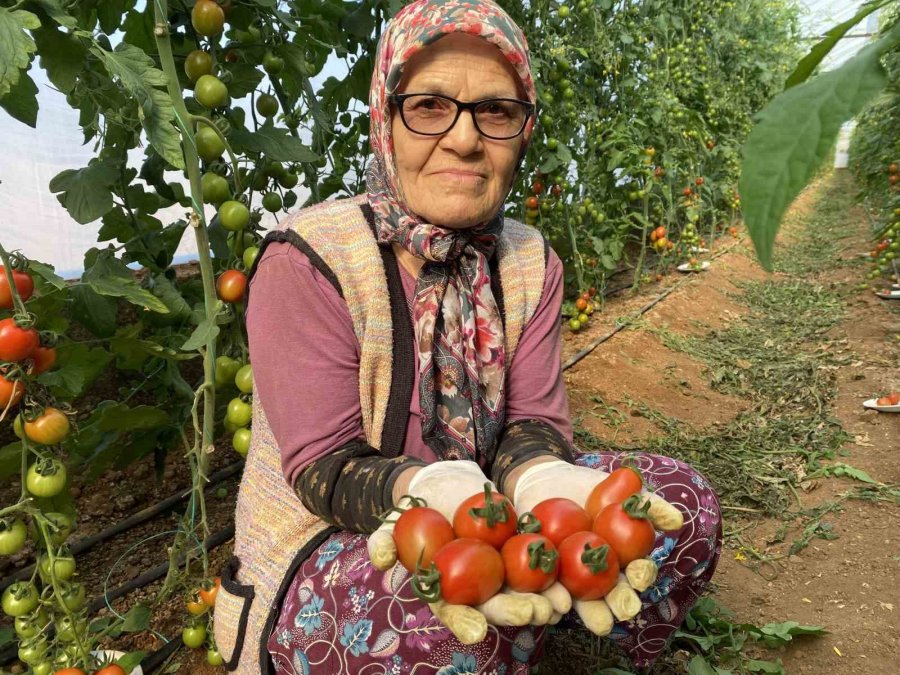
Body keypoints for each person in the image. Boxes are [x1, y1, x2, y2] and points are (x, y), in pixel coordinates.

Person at [212, 1, 722, 673]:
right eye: (428, 106)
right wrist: (442, 492)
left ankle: (581, 646)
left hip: (490, 515)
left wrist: (543, 480)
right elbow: (323, 470)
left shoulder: (529, 259)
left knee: (681, 508)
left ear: (523, 128)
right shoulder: (310, 258)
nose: (463, 138)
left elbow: (534, 420)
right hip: (327, 543)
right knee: (447, 625)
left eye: (496, 111)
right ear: (384, 120)